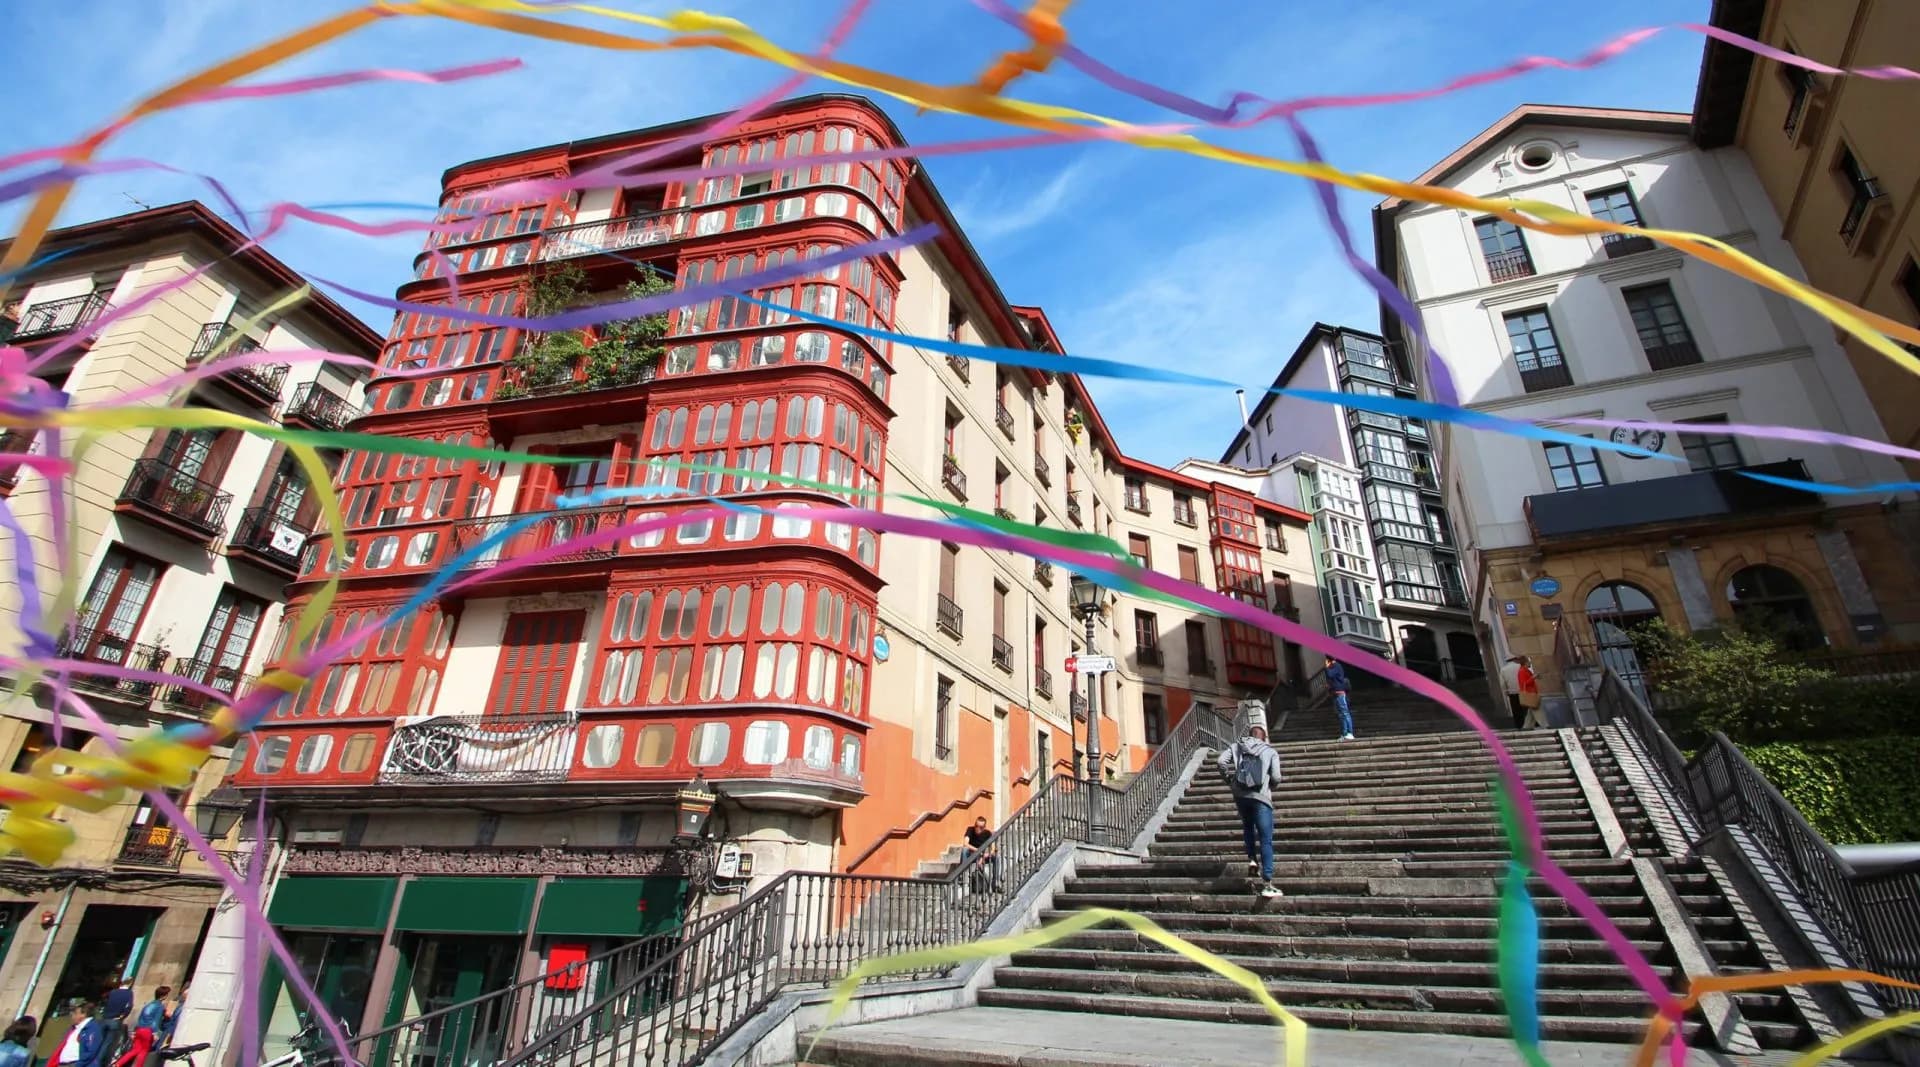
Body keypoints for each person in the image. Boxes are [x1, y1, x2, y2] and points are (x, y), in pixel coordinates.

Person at [1218, 723, 1285, 899]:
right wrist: (1270, 785)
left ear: (1250, 735)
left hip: (1241, 795)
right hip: (1261, 797)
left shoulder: (1236, 746)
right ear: (1264, 737)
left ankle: (1252, 859)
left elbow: (1220, 762)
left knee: (1247, 826)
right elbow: (1277, 777)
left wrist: (1230, 781)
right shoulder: (1270, 751)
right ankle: (1268, 883)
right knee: (1265, 839)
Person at [53, 1001, 104, 1067]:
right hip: (64, 1064)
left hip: (74, 1064)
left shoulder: (92, 1029)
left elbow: (91, 1051)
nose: (72, 1015)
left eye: (75, 1013)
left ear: (83, 1015)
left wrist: (77, 1065)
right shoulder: (75, 1028)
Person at [962, 816, 999, 892]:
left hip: (983, 856)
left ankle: (995, 883)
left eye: (981, 827)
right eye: (976, 826)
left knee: (996, 858)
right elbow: (965, 844)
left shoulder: (987, 833)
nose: (977, 828)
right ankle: (964, 878)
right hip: (972, 855)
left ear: (984, 827)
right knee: (964, 850)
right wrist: (979, 851)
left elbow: (993, 849)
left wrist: (983, 857)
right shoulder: (970, 830)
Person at [1324, 655, 1355, 740]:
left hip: (1340, 692)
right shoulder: (1333, 667)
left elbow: (1330, 675)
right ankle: (1344, 733)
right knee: (1341, 714)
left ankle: (1349, 733)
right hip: (1336, 692)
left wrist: (1326, 667)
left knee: (1345, 713)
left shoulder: (1337, 666)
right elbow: (1330, 678)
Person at [1501, 654, 1527, 730]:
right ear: (1515, 659)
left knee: (1516, 710)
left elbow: (1503, 683)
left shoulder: (1503, 669)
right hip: (1523, 691)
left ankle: (1519, 725)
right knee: (1526, 708)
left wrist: (1506, 691)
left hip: (1512, 692)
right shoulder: (1521, 666)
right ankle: (1529, 724)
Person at [1518, 657, 1544, 730]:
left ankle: (1527, 726)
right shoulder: (1522, 671)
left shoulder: (1526, 670)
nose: (1530, 663)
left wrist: (1535, 677)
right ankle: (1544, 724)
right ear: (1525, 662)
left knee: (1531, 712)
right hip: (1530, 694)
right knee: (1537, 709)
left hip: (1531, 693)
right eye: (1529, 662)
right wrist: (1533, 677)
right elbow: (1524, 683)